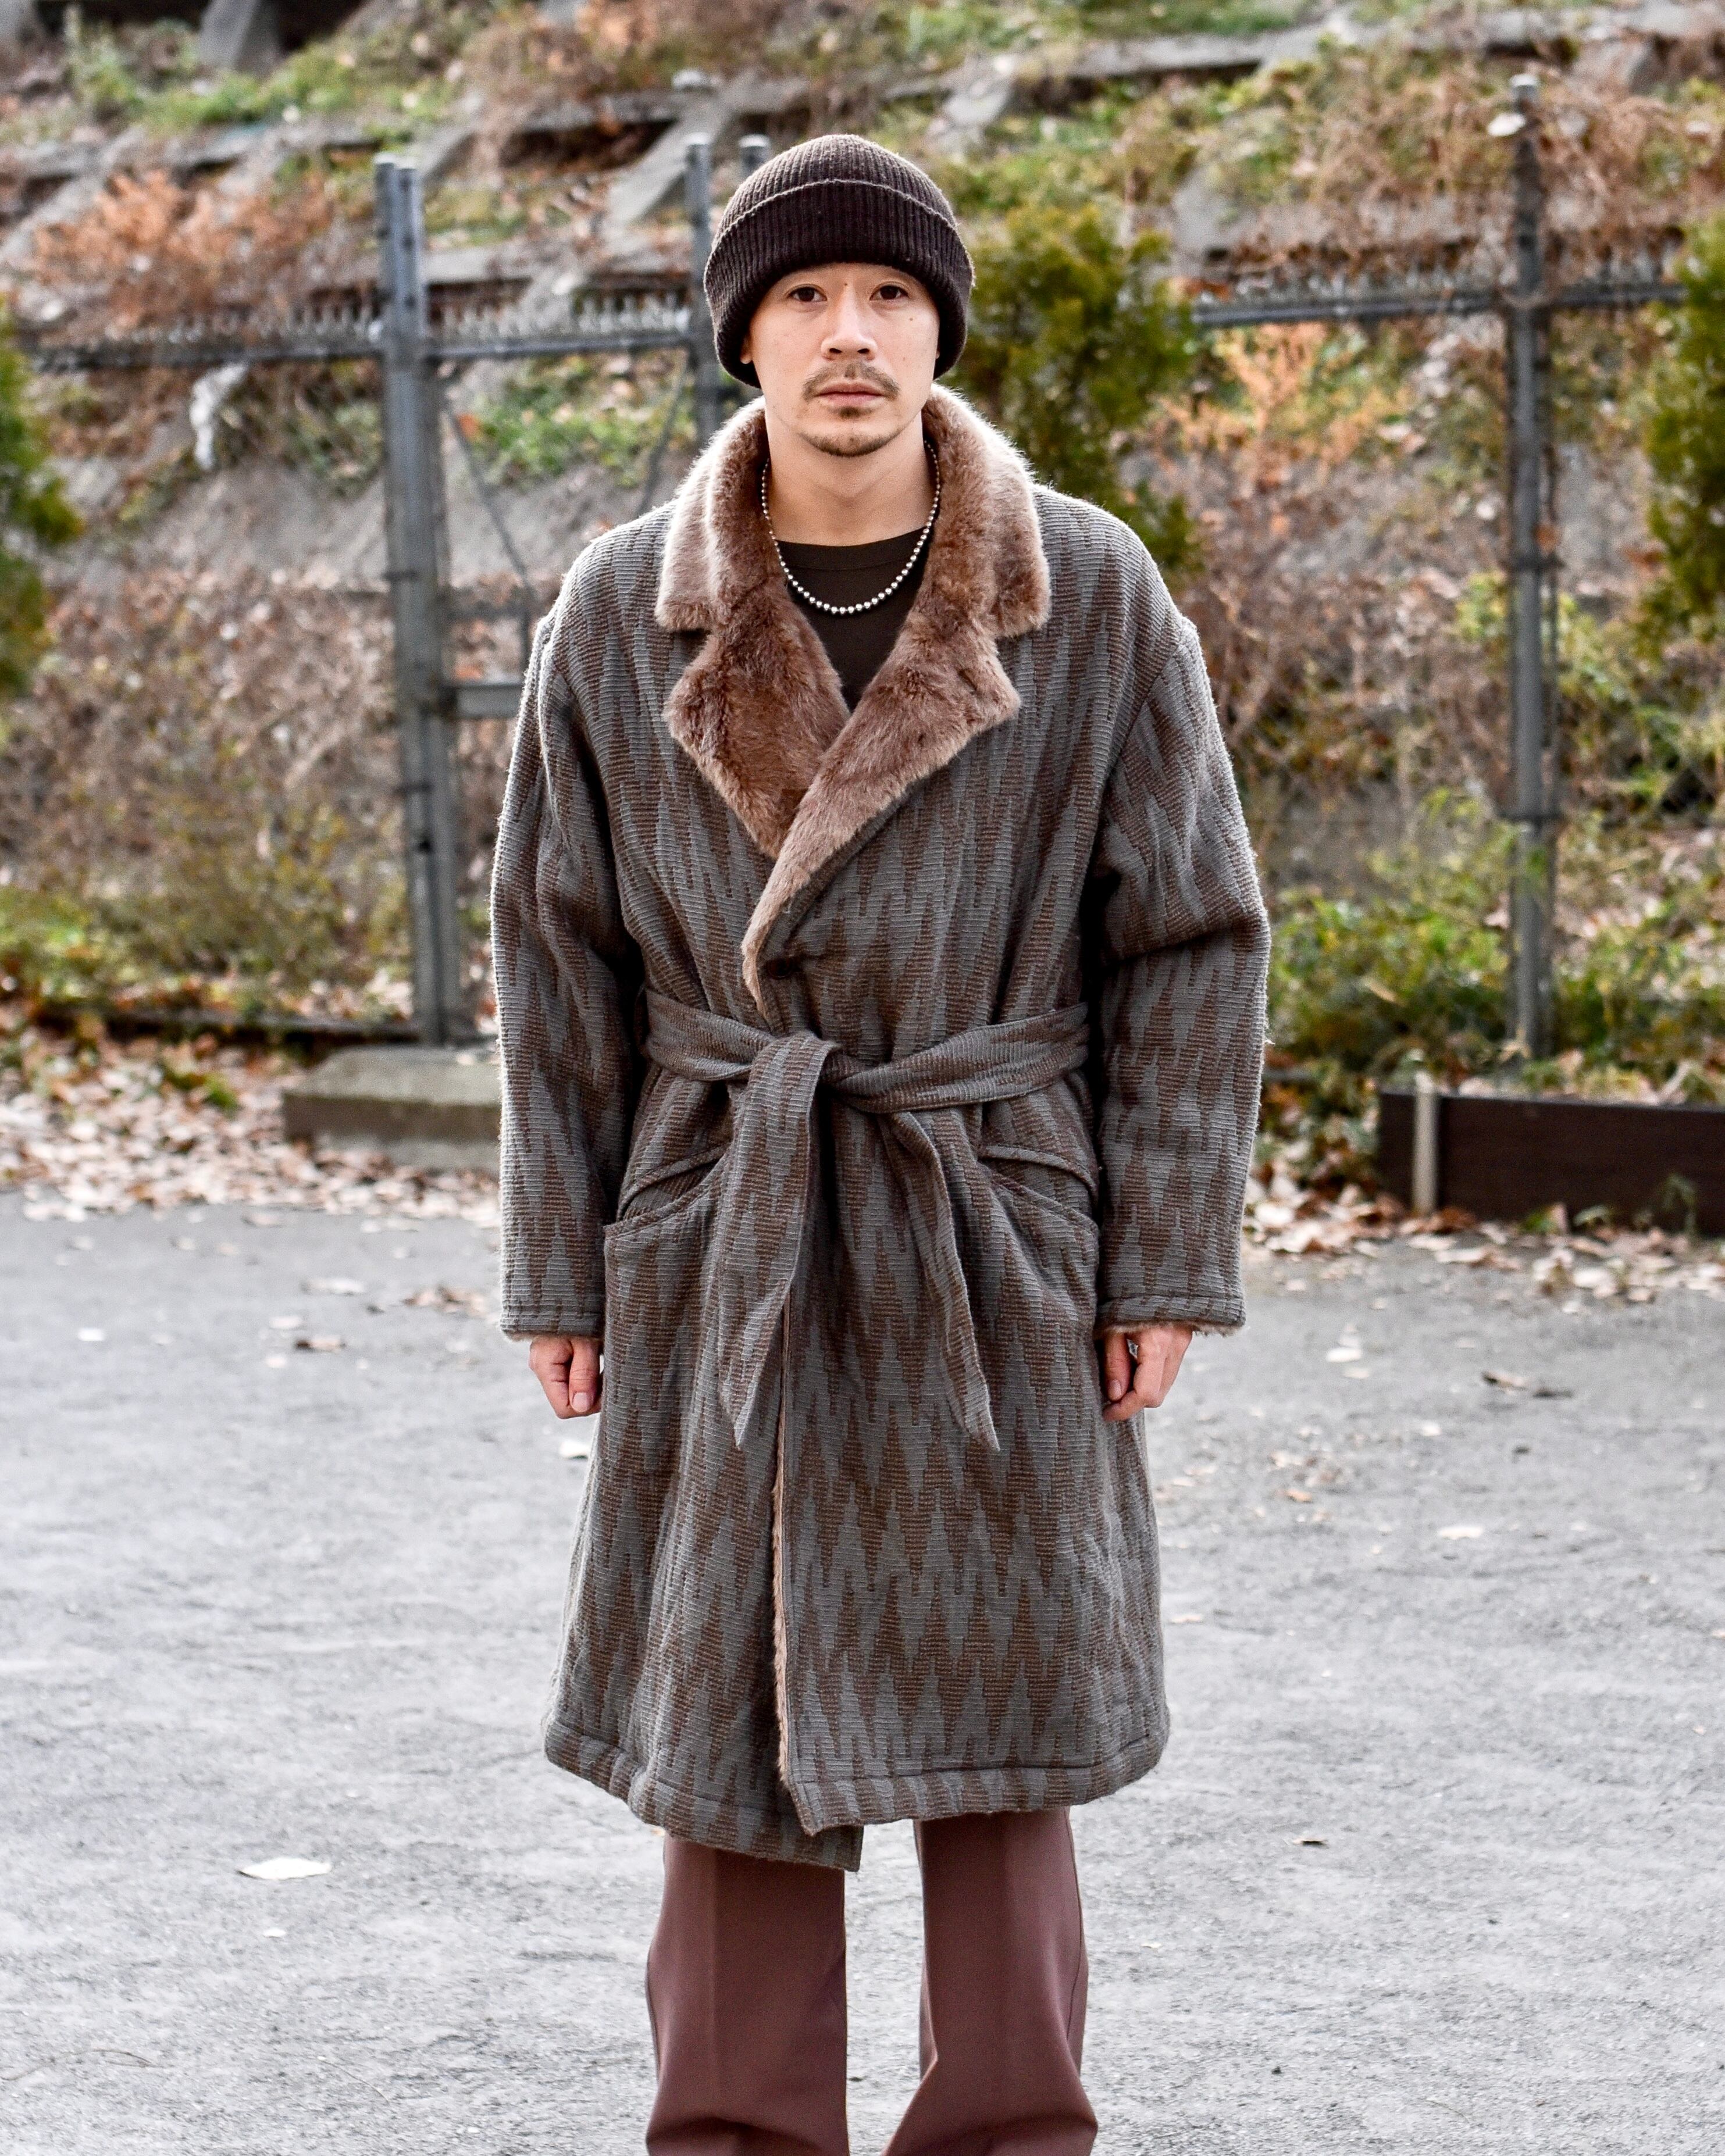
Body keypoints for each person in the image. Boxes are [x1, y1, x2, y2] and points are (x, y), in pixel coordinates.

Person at [491, 133, 1270, 2155]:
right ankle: (735, 2132)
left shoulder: (1086, 591)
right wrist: (561, 1262)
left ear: (941, 330)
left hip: (985, 1203)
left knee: (1003, 1700)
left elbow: (1190, 935)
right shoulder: (618, 611)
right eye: (808, 297)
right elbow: (556, 956)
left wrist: (1165, 1254)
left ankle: (1011, 2129)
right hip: (726, 1204)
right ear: (743, 337)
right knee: (731, 1701)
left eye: (893, 295)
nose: (853, 335)